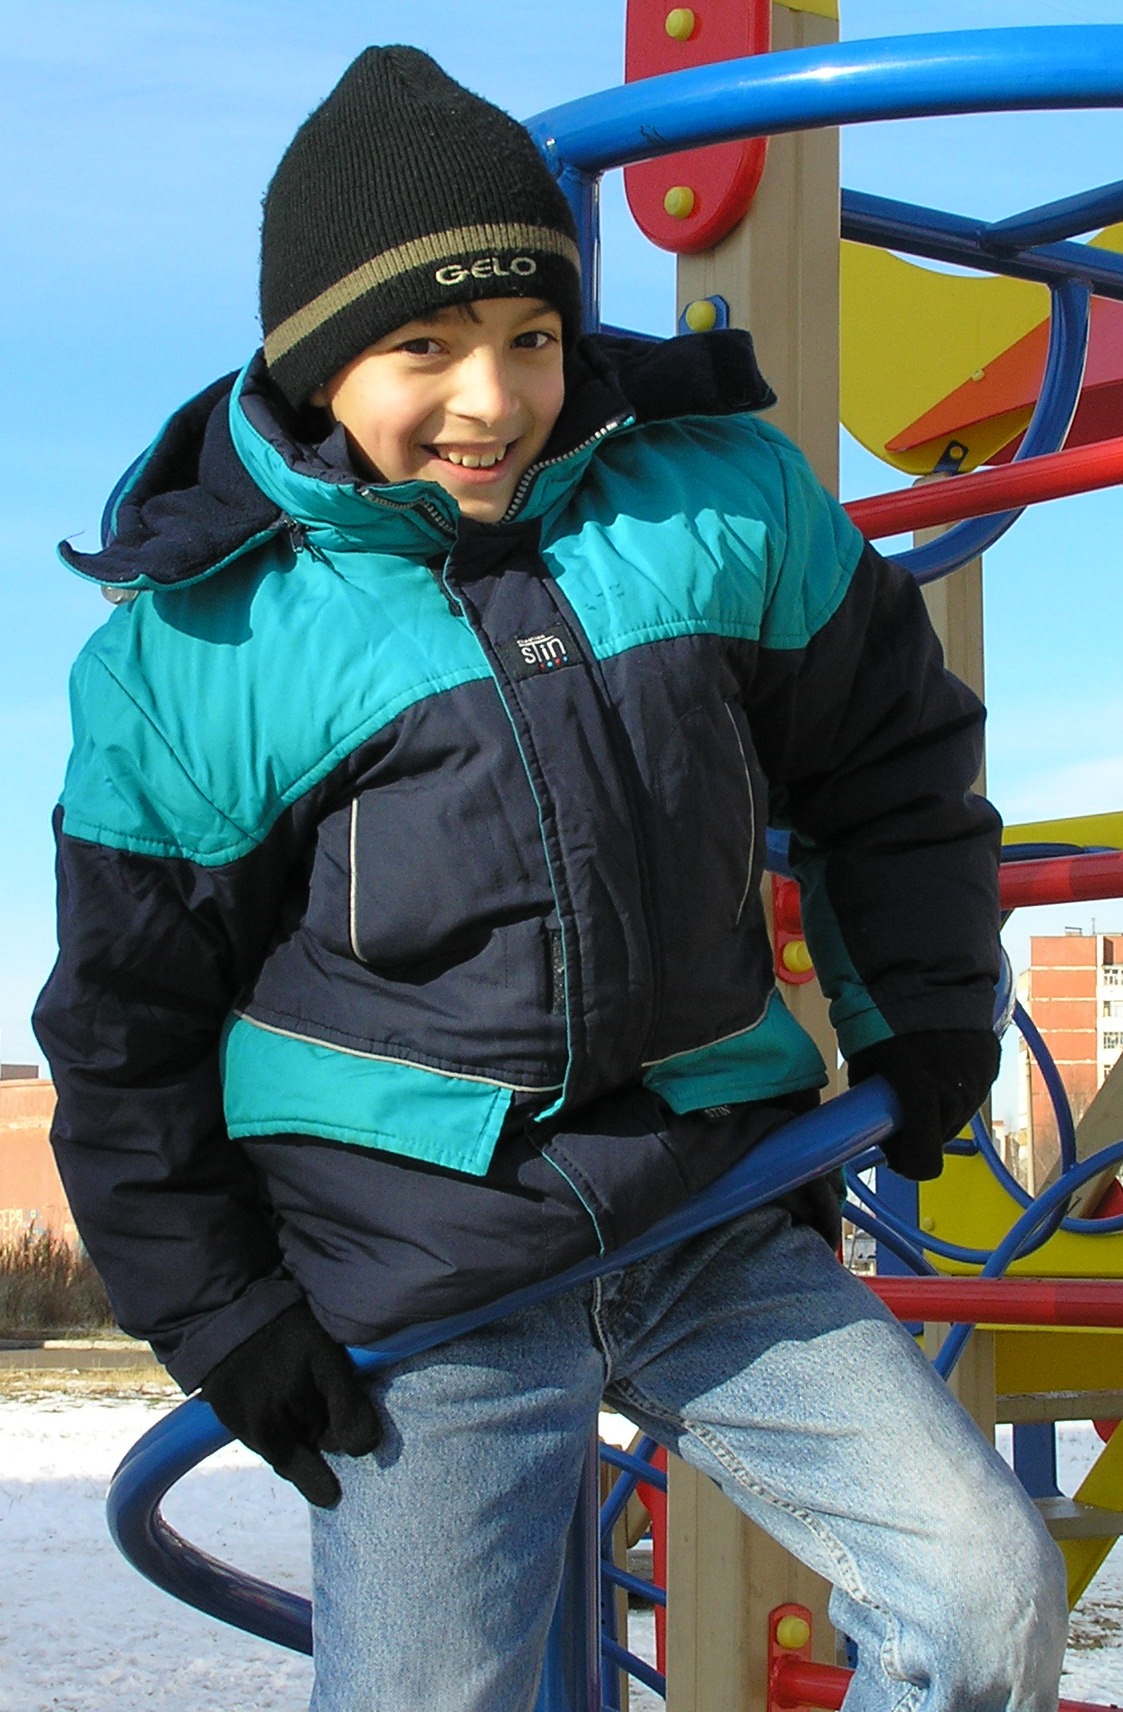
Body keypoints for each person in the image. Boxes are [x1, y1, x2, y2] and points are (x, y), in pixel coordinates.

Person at [34, 45, 1067, 1712]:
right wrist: (219, 1312)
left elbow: (890, 759)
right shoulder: (205, 649)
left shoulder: (711, 499)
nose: (493, 400)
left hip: (708, 1212)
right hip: (418, 1268)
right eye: (423, 350)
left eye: (531, 336)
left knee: (982, 1588)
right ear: (315, 362)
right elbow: (125, 1028)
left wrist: (928, 1012)